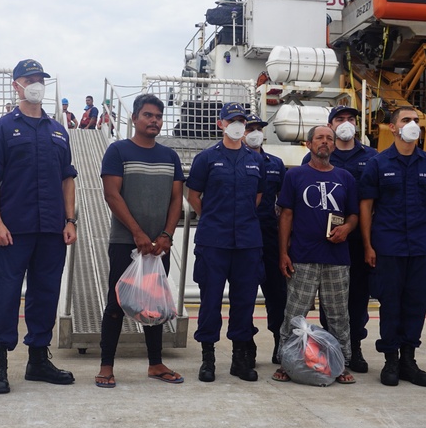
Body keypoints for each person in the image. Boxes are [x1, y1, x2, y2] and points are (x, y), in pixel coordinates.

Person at [0, 59, 78, 394]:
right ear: (16, 85)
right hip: (13, 229)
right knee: (4, 296)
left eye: (40, 79)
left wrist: (70, 220)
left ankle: (38, 360)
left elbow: (68, 178)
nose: (36, 84)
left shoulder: (58, 131)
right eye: (30, 79)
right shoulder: (2, 129)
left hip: (51, 229)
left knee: (45, 295)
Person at [95, 93, 185, 388]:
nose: (154, 121)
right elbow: (112, 195)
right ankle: (106, 366)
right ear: (134, 118)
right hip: (125, 242)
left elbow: (176, 200)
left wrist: (166, 236)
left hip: (159, 247)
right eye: (148, 115)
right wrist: (137, 233)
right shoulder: (118, 151)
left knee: (155, 305)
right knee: (116, 304)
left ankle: (156, 364)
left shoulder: (170, 156)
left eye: (158, 117)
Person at [359, 106, 426, 387]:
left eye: (416, 120)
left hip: (420, 247)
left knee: (416, 304)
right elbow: (366, 205)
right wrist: (368, 245)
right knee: (390, 304)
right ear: (393, 128)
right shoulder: (378, 163)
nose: (413, 125)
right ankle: (391, 361)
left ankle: (409, 359)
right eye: (406, 120)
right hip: (388, 245)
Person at [186, 102, 266, 382]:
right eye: (232, 120)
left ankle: (239, 359)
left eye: (241, 120)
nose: (238, 125)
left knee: (244, 302)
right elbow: (193, 194)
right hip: (214, 241)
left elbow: (258, 196)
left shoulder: (256, 160)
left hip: (247, 242)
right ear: (221, 124)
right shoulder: (206, 158)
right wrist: (209, 216)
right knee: (209, 301)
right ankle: (208, 358)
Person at [277, 124, 358, 384]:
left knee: (338, 315)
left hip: (336, 259)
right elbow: (286, 215)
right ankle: (286, 362)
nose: (324, 142)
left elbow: (354, 214)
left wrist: (346, 227)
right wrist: (283, 252)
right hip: (303, 256)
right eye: (319, 138)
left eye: (329, 138)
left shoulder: (346, 178)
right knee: (294, 313)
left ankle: (343, 363)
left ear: (334, 145)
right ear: (309, 144)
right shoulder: (295, 176)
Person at [301, 105, 377, 372]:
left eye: (351, 119)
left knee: (357, 297)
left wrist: (361, 236)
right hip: (325, 244)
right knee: (330, 301)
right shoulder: (315, 156)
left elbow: (371, 201)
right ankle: (330, 347)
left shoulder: (371, 157)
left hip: (356, 241)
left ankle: (354, 348)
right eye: (340, 119)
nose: (346, 123)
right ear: (330, 125)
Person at [242, 112, 287, 364]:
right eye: (250, 128)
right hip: (244, 238)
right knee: (245, 292)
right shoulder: (236, 161)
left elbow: (284, 202)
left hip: (270, 237)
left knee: (277, 294)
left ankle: (280, 342)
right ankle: (246, 344)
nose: (255, 132)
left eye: (258, 128)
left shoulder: (276, 163)